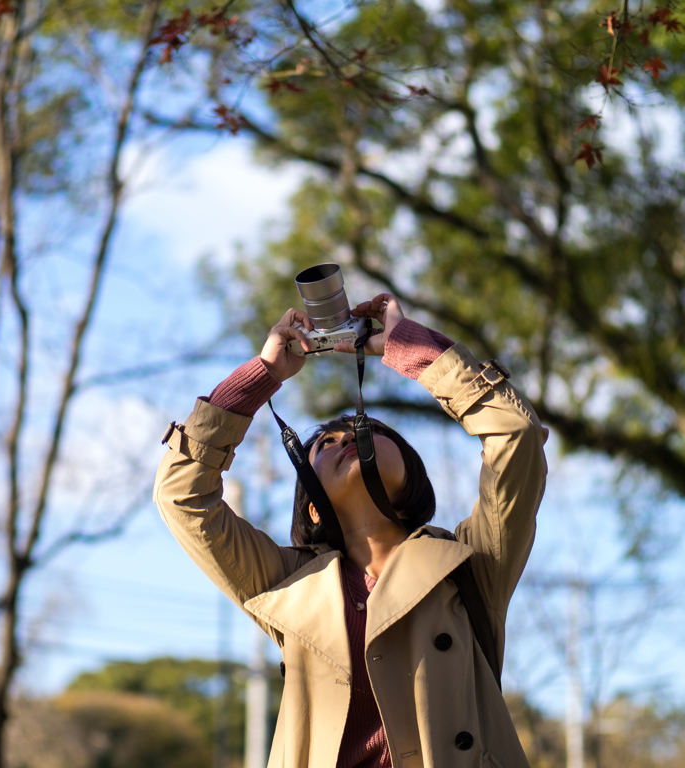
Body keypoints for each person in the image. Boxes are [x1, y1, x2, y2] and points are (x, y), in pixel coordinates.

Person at [154, 293, 548, 768]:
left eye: (365, 429)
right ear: (313, 510)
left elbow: (516, 437)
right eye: (324, 443)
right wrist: (259, 378)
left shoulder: (471, 564)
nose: (345, 438)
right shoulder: (288, 586)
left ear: (411, 476)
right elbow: (183, 497)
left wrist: (413, 350)